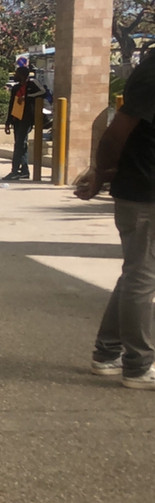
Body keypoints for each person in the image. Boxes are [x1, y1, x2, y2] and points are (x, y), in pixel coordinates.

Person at [75, 47, 155, 388]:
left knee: (137, 274)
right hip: (144, 190)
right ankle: (138, 366)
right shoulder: (153, 75)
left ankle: (107, 353)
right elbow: (115, 134)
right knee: (142, 276)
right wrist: (100, 174)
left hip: (143, 187)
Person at [3, 66, 45, 180]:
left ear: (22, 75)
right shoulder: (16, 88)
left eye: (17, 74)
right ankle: (25, 171)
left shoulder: (32, 84)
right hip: (17, 118)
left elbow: (43, 92)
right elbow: (11, 104)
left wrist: (26, 97)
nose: (15, 76)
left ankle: (15, 171)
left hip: (27, 119)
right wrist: (8, 122)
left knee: (19, 145)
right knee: (21, 144)